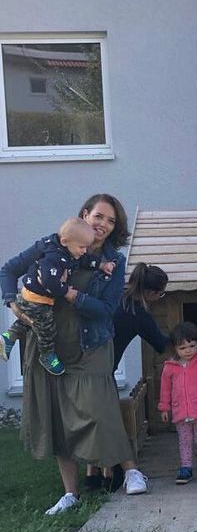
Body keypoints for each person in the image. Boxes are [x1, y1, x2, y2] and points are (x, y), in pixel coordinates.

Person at [0, 194, 149, 515]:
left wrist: (68, 293)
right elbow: (8, 270)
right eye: (99, 216)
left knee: (101, 408)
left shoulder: (113, 260)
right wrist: (12, 303)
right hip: (48, 344)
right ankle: (70, 493)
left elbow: (106, 310)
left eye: (111, 221)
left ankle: (132, 471)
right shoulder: (53, 244)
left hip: (90, 343)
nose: (104, 225)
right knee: (57, 414)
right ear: (85, 214)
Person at [84, 262, 171, 492]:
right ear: (152, 293)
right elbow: (161, 344)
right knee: (111, 422)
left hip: (84, 364)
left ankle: (93, 476)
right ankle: (117, 473)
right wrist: (184, 334)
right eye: (161, 294)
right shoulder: (139, 312)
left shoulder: (117, 297)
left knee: (94, 421)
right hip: (103, 370)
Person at [0, 217, 113, 375]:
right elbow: (48, 281)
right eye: (82, 247)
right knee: (47, 329)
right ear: (65, 241)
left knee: (31, 322)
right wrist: (66, 291)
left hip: (33, 297)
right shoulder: (53, 255)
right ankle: (46, 355)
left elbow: (84, 260)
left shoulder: (68, 248)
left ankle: (8, 338)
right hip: (37, 298)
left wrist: (101, 265)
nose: (84, 251)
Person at [158, 322, 197, 484]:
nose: (188, 350)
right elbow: (165, 389)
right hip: (180, 411)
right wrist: (164, 408)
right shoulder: (169, 367)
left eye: (192, 346)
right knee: (184, 440)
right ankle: (186, 467)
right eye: (183, 348)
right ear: (174, 348)